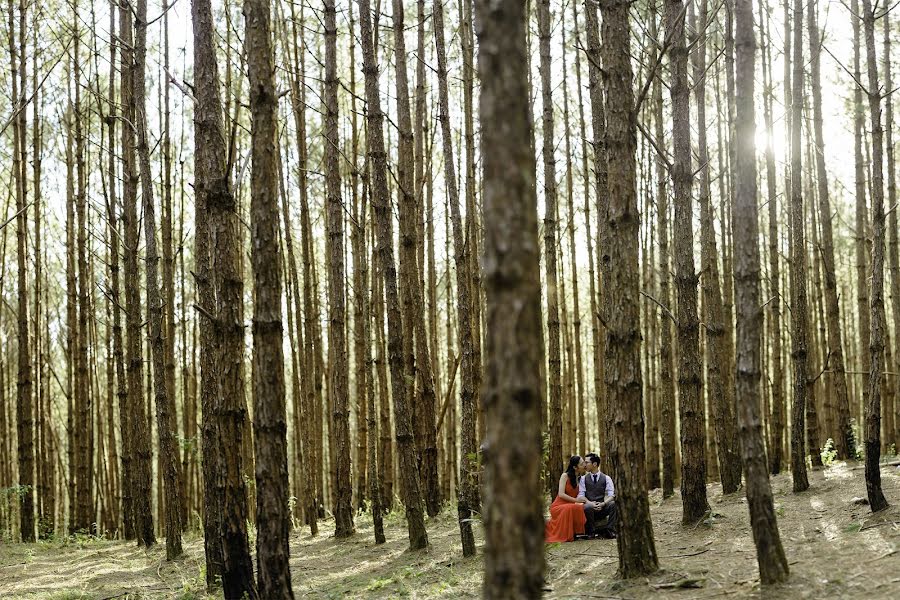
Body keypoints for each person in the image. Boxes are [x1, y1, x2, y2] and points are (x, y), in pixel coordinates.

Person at [545, 455, 588, 543]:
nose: (584, 465)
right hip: (558, 506)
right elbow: (561, 494)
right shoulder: (565, 476)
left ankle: (577, 532)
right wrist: (577, 501)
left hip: (570, 504)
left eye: (584, 462)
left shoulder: (580, 479)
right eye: (582, 463)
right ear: (575, 467)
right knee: (572, 507)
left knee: (578, 507)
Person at [578, 453, 617, 539]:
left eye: (587, 462)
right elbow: (580, 496)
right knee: (587, 507)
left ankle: (610, 530)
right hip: (589, 510)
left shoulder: (606, 478)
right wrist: (590, 503)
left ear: (594, 464)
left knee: (613, 504)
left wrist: (603, 504)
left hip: (602, 508)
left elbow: (611, 495)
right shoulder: (583, 479)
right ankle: (591, 532)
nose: (585, 465)